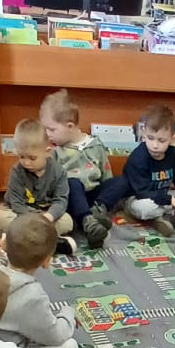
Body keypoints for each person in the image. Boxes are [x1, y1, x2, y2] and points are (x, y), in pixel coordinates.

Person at [94, 103, 175, 238]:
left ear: (172, 139)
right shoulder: (138, 157)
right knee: (144, 209)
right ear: (144, 133)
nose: (155, 145)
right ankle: (170, 215)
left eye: (161, 140)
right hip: (140, 198)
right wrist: (171, 201)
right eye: (150, 138)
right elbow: (142, 191)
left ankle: (167, 216)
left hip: (161, 196)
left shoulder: (173, 154)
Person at [0, 214, 79, 348]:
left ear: (4, 243)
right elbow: (55, 336)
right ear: (46, 262)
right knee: (70, 346)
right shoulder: (32, 296)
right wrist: (68, 314)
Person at [39, 90, 113, 249]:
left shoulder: (95, 144)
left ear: (70, 126)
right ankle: (88, 222)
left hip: (94, 196)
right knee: (73, 182)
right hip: (72, 196)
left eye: (51, 129)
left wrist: (108, 192)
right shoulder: (55, 151)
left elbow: (106, 173)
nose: (47, 134)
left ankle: (97, 212)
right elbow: (51, 183)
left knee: (122, 181)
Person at [0, 118, 75, 255]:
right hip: (21, 214)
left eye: (32, 158)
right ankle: (49, 242)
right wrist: (33, 220)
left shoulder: (58, 171)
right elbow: (16, 203)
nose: (26, 163)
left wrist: (48, 217)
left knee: (67, 221)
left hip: (45, 215)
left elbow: (61, 201)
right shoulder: (16, 172)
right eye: (21, 156)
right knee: (0, 217)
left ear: (47, 152)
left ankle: (19, 240)